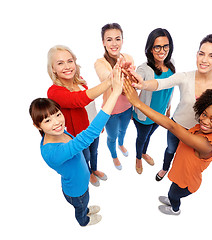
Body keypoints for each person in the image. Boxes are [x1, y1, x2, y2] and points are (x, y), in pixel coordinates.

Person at [123, 79, 212, 215]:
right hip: (181, 173)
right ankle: (172, 198)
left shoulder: (206, 144)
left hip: (187, 182)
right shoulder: (200, 129)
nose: (205, 121)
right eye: (204, 114)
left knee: (173, 193)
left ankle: (175, 208)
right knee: (173, 189)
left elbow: (171, 126)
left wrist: (137, 103)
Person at [29, 65, 123, 226]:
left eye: (58, 114)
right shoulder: (53, 152)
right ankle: (84, 220)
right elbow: (89, 134)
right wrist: (114, 93)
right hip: (76, 192)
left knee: (85, 200)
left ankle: (85, 208)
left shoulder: (58, 133)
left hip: (81, 184)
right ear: (38, 126)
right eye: (47, 120)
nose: (57, 122)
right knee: (81, 205)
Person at [130, 33, 212, 181]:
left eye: (211, 56)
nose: (204, 60)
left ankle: (177, 179)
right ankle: (165, 168)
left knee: (186, 158)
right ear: (197, 54)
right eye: (201, 54)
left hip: (200, 134)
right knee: (171, 149)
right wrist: (144, 84)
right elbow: (161, 83)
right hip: (177, 125)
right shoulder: (185, 77)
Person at [47, 45, 109, 187]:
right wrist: (108, 83)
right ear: (53, 69)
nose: (67, 66)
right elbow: (79, 100)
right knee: (85, 156)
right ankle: (89, 173)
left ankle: (94, 169)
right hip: (78, 135)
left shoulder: (80, 80)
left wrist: (99, 125)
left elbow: (90, 106)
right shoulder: (54, 92)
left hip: (93, 128)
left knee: (95, 152)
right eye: (60, 63)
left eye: (70, 61)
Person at [133, 28, 175, 174]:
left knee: (149, 136)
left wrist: (168, 108)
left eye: (166, 46)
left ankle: (144, 153)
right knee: (142, 138)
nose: (162, 50)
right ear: (150, 49)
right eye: (157, 46)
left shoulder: (171, 63)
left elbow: (170, 89)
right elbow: (138, 77)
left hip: (160, 114)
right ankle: (138, 157)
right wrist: (133, 78)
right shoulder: (144, 69)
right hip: (144, 116)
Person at [94, 23, 134, 170]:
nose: (114, 43)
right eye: (109, 40)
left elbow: (131, 84)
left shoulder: (128, 57)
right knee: (112, 137)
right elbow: (106, 77)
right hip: (110, 112)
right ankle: (114, 155)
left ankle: (121, 144)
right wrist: (118, 70)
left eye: (117, 39)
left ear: (122, 40)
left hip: (127, 108)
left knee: (123, 131)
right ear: (103, 42)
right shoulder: (100, 63)